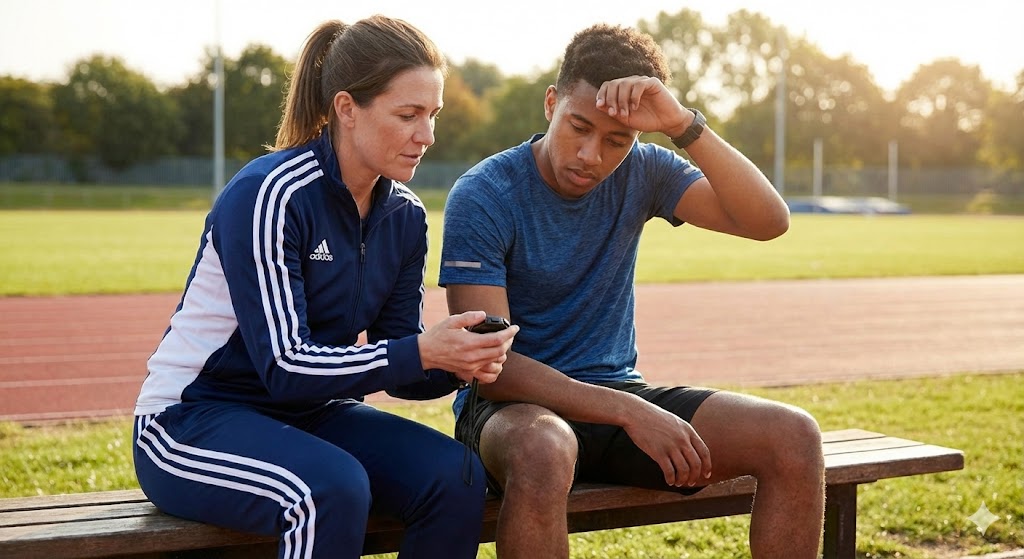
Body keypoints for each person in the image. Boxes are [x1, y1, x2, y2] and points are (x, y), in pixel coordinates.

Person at [132, 15, 518, 559]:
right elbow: (286, 367)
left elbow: (400, 359)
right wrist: (419, 351)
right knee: (328, 490)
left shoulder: (405, 216)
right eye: (407, 115)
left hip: (310, 414)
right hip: (190, 421)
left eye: (432, 115)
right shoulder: (270, 194)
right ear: (346, 108)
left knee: (454, 476)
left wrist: (456, 363)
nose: (426, 135)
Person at [439, 23, 825, 558]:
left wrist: (683, 125)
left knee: (792, 436)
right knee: (545, 448)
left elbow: (768, 221)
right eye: (578, 127)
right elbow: (493, 368)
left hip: (619, 397)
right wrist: (629, 411)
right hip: (512, 416)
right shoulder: (485, 193)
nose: (590, 156)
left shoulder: (647, 171)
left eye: (616, 140)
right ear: (550, 103)